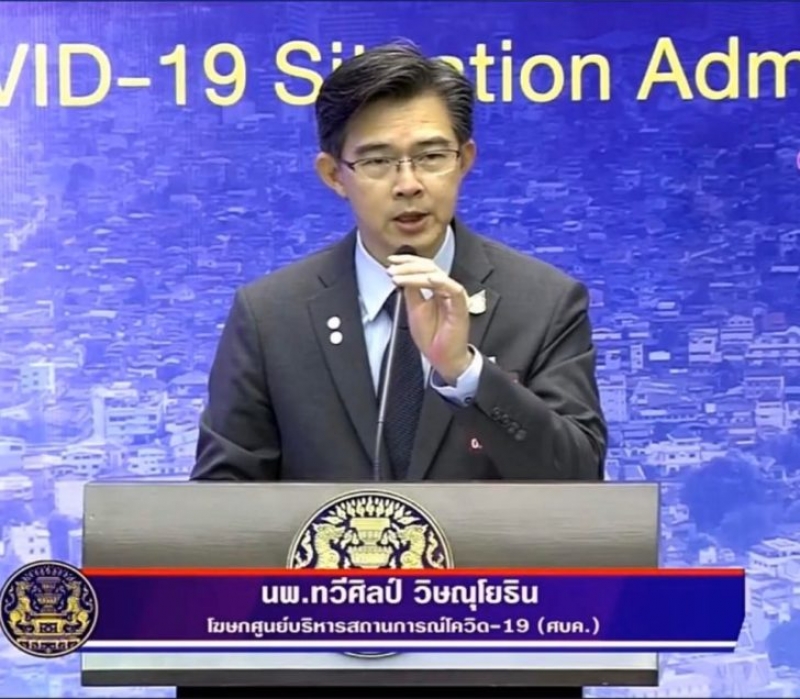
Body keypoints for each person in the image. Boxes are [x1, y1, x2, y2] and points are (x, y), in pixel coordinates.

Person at [182, 41, 606, 699]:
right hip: (314, 675)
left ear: (465, 160)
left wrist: (465, 372)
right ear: (334, 174)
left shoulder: (544, 302)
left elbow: (578, 481)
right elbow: (222, 509)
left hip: (494, 671)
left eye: (431, 156)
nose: (409, 183)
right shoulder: (271, 315)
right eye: (378, 161)